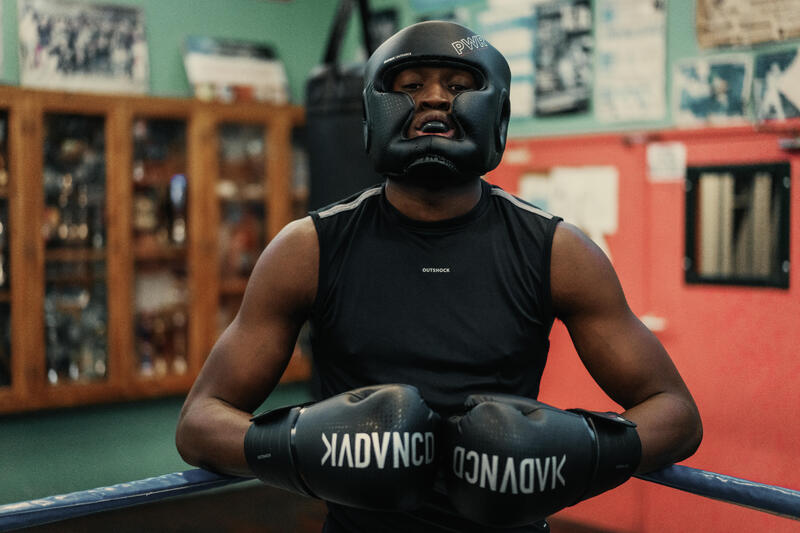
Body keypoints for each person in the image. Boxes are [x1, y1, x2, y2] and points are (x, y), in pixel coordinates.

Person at [176, 21, 702, 532]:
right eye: (409, 86)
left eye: (459, 86)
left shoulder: (558, 252)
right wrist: (307, 446)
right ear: (373, 114)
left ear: (496, 113)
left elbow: (675, 413)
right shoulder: (308, 249)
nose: (433, 99)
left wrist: (577, 452)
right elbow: (199, 423)